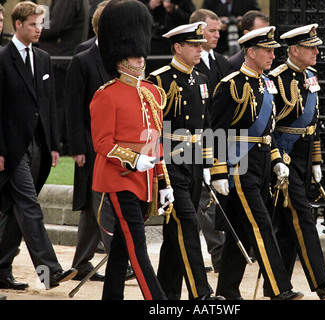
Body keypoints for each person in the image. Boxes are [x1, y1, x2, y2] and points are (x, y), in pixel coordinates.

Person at [210, 26, 302, 300]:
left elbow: (267, 130)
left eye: (274, 50)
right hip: (240, 164)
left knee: (240, 229)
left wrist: (275, 160)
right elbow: (216, 131)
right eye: (267, 50)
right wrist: (218, 171)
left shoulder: (265, 83)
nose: (273, 55)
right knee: (262, 225)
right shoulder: (231, 85)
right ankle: (279, 288)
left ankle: (226, 291)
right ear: (251, 52)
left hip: (262, 163)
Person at [90, 0, 173, 300]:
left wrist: (163, 181)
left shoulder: (151, 91)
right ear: (120, 57)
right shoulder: (106, 95)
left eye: (141, 54)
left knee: (121, 247)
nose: (140, 59)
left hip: (144, 179)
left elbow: (156, 141)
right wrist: (134, 159)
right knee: (137, 244)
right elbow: (102, 143)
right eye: (134, 55)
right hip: (117, 177)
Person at [0, 1, 77, 290]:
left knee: (16, 210)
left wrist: (54, 144)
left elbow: (49, 105)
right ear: (17, 24)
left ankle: (0, 268)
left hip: (38, 145)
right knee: (30, 206)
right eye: (33, 24)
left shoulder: (43, 58)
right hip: (12, 146)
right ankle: (50, 273)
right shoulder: (2, 58)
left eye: (41, 23)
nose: (38, 29)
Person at [267, 24, 325, 299]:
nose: (316, 51)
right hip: (284, 156)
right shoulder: (275, 79)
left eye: (316, 46)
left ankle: (278, 288)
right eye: (310, 47)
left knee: (290, 227)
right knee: (303, 217)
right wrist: (278, 160)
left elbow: (313, 124)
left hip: (304, 154)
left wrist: (316, 161)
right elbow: (269, 125)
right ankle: (322, 282)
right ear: (294, 50)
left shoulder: (310, 76)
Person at [147, 22, 222, 300]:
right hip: (169, 163)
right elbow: (152, 129)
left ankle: (165, 294)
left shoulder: (202, 79)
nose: (200, 50)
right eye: (194, 45)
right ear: (178, 48)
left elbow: (207, 126)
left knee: (174, 232)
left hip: (193, 163)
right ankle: (201, 293)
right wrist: (156, 168)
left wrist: (207, 165)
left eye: (201, 45)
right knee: (187, 223)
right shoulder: (159, 80)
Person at [65, 0, 112, 282]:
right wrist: (77, 148)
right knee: (97, 200)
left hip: (115, 142)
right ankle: (119, 254)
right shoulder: (83, 56)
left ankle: (81, 262)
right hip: (91, 143)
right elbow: (73, 106)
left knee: (92, 206)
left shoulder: (122, 56)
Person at [188, 8, 228, 273]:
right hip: (196, 141)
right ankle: (217, 254)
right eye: (211, 31)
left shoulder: (222, 62)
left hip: (221, 139)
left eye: (218, 30)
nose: (216, 35)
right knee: (203, 200)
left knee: (215, 198)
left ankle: (218, 253)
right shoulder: (190, 64)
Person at [39, 0, 89, 155]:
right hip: (62, 56)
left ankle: (60, 143)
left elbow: (57, 26)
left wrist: (34, 26)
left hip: (61, 58)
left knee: (59, 102)